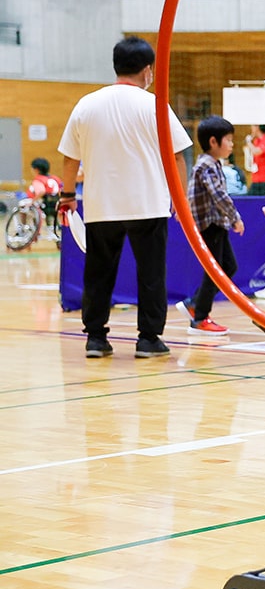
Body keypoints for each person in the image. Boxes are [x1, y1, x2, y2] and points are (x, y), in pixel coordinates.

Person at [57, 36, 192, 359]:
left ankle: (96, 339)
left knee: (98, 273)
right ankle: (148, 339)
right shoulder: (154, 105)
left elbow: (69, 159)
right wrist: (180, 198)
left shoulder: (86, 104)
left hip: (101, 205)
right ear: (148, 71)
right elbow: (177, 157)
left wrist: (67, 196)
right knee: (151, 273)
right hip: (148, 204)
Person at [179, 116, 243, 333]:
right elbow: (219, 195)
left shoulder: (213, 164)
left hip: (218, 224)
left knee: (229, 267)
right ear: (214, 142)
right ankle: (199, 317)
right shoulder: (206, 165)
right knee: (215, 271)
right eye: (229, 140)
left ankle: (195, 303)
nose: (232, 144)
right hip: (211, 225)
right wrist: (235, 217)